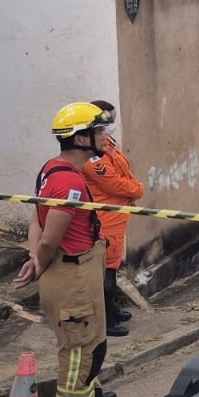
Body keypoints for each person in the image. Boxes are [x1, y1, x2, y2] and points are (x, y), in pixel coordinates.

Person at [13, 102, 118, 397]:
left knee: (94, 337)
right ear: (82, 139)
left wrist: (35, 258)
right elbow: (49, 238)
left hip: (79, 267)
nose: (105, 137)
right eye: (99, 131)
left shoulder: (52, 169)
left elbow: (36, 220)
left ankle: (89, 391)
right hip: (71, 272)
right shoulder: (68, 184)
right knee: (78, 344)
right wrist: (39, 260)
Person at [83, 101, 143, 337]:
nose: (111, 126)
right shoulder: (91, 155)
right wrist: (137, 190)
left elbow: (122, 172)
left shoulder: (107, 144)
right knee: (106, 272)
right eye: (108, 122)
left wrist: (132, 188)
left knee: (113, 267)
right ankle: (105, 321)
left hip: (118, 214)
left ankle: (113, 310)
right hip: (105, 217)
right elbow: (111, 182)